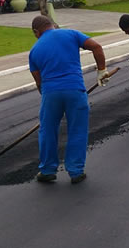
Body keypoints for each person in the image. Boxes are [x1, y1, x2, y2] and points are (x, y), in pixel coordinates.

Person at [28, 15, 111, 184]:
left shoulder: (34, 51)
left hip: (50, 93)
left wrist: (48, 101)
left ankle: (47, 170)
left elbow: (39, 83)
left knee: (47, 131)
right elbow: (96, 47)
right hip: (75, 90)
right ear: (52, 25)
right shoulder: (71, 34)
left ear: (36, 32)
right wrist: (101, 70)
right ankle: (75, 171)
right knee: (77, 130)